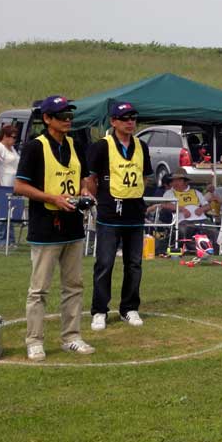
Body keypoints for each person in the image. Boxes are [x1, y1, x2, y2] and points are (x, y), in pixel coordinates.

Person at [13, 95, 94, 360]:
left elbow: (84, 179)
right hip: (45, 227)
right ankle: (34, 341)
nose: (68, 120)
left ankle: (72, 337)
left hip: (73, 226)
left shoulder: (76, 144)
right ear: (47, 119)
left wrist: (85, 190)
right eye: (62, 116)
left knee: (74, 285)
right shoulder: (34, 147)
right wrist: (53, 198)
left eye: (70, 116)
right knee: (39, 290)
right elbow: (19, 186)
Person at [84, 101, 153, 331]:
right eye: (125, 118)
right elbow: (90, 178)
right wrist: (99, 200)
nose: (130, 122)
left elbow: (144, 176)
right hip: (109, 214)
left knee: (134, 264)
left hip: (135, 213)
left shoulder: (142, 146)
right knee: (105, 263)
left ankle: (129, 308)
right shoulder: (101, 146)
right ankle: (99, 310)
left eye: (133, 118)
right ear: (113, 121)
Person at [162, 172, 210, 244]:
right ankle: (187, 247)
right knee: (184, 231)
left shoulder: (195, 192)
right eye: (174, 181)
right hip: (183, 220)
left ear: (185, 182)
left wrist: (202, 209)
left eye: (179, 180)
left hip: (201, 219)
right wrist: (182, 209)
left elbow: (208, 206)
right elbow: (165, 205)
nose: (175, 183)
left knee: (213, 231)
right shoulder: (169, 193)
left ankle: (216, 248)